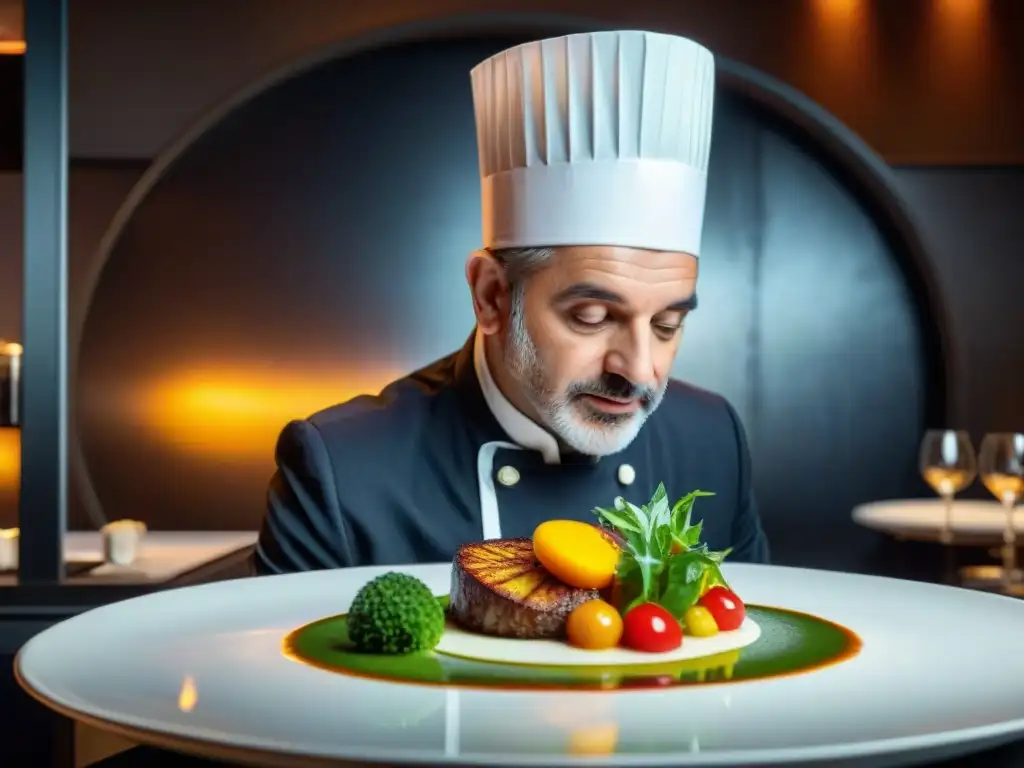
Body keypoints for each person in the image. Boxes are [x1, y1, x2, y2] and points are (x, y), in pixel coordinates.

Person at [253, 30, 770, 576]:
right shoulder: (343, 470)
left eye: (667, 325)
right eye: (592, 318)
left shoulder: (713, 442)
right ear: (491, 296)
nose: (639, 369)